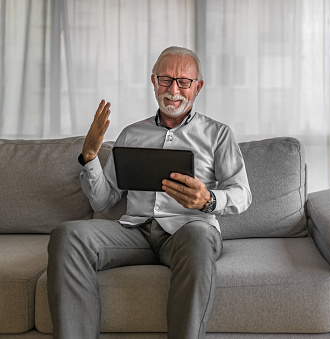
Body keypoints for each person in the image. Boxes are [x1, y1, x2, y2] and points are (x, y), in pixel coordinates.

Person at [47, 46, 252, 339]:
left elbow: (243, 193)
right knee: (67, 235)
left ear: (198, 87)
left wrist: (208, 199)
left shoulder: (218, 135)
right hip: (135, 232)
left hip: (188, 233)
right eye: (166, 79)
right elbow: (105, 200)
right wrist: (91, 156)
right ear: (153, 82)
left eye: (184, 81)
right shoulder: (132, 135)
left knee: (199, 235)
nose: (174, 89)